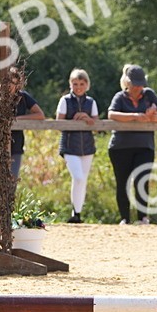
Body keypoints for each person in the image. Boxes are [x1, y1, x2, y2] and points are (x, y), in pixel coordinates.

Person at [107, 64, 157, 225]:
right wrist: (135, 116)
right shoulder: (120, 97)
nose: (138, 87)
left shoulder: (149, 95)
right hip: (120, 146)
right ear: (128, 83)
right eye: (135, 84)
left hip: (144, 145)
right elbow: (111, 114)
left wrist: (152, 117)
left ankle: (143, 217)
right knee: (122, 182)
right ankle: (124, 218)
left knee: (142, 179)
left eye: (140, 84)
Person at [56, 68, 98, 223]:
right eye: (75, 84)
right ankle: (75, 211)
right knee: (78, 177)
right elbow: (58, 124)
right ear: (70, 84)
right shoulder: (65, 101)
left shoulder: (91, 102)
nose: (78, 87)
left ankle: (77, 213)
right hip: (69, 146)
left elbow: (96, 124)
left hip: (87, 146)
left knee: (83, 180)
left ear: (87, 85)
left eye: (81, 83)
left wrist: (86, 118)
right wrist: (73, 121)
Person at [10, 73, 45, 185]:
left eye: (15, 83)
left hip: (16, 144)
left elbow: (40, 115)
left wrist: (20, 118)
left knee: (13, 178)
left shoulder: (23, 97)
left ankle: (9, 202)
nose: (11, 86)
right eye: (9, 83)